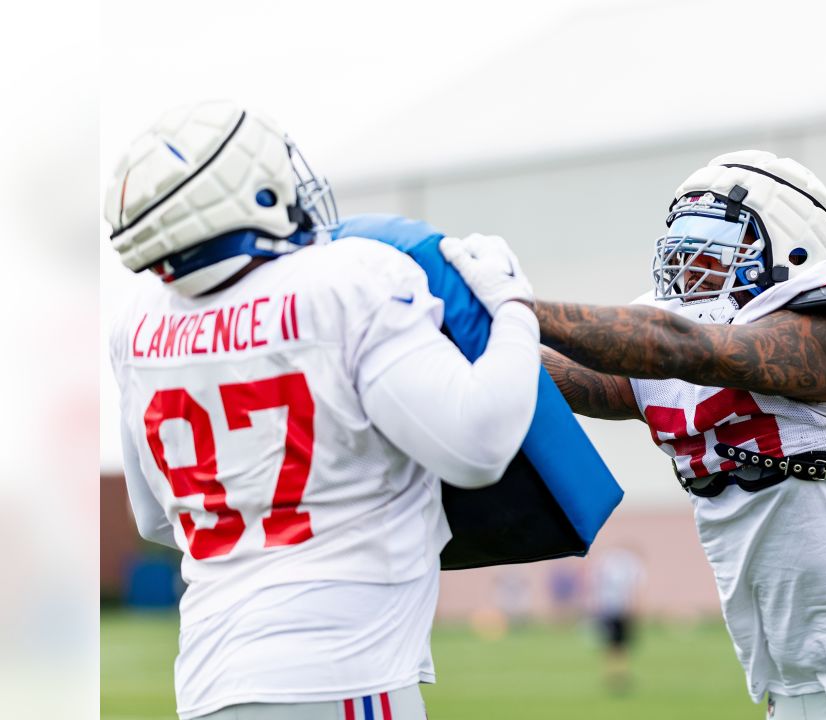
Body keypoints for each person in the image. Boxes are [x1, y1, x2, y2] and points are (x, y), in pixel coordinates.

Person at [443, 150, 826, 719]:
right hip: (794, 687)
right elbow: (543, 376)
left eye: (715, 241)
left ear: (790, 250)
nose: (689, 259)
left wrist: (517, 305)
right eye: (682, 239)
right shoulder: (666, 342)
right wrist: (453, 331)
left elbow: (685, 347)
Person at [105, 101, 541, 720]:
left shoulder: (136, 320)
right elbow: (479, 445)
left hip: (209, 680)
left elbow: (155, 519)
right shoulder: (349, 279)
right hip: (341, 671)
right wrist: (514, 305)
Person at [590, 547, 645, 693]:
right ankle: (619, 674)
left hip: (608, 609)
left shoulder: (609, 564)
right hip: (621, 610)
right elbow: (633, 590)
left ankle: (613, 673)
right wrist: (635, 610)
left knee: (612, 645)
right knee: (620, 645)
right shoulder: (632, 566)